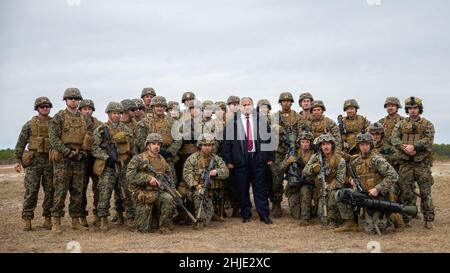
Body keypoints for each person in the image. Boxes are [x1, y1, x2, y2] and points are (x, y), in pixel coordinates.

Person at [222, 97, 275, 224]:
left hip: (258, 159)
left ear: (252, 105)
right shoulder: (232, 123)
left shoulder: (261, 121)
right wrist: (228, 160)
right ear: (240, 107)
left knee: (260, 188)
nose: (246, 106)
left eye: (249, 104)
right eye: (244, 104)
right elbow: (226, 144)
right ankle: (246, 214)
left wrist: (270, 157)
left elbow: (269, 140)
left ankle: (264, 215)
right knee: (242, 188)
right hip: (240, 161)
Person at [48, 88, 91, 233]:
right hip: (63, 160)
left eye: (76, 98)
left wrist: (85, 151)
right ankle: (56, 221)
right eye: (70, 98)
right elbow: (53, 139)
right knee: (60, 191)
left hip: (79, 159)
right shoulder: (58, 117)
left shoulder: (84, 118)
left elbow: (89, 135)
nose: (73, 100)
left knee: (77, 192)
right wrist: (67, 152)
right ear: (65, 100)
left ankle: (75, 220)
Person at [391, 96, 435, 229]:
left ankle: (428, 218)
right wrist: (405, 148)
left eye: (415, 108)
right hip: (405, 164)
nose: (412, 111)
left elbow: (429, 139)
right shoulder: (401, 124)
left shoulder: (427, 124)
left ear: (419, 109)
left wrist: (414, 147)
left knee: (425, 193)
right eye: (410, 108)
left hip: (422, 164)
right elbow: (394, 138)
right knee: (406, 193)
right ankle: (407, 217)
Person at [341, 133, 398, 234]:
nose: (365, 147)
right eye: (362, 145)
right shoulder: (355, 161)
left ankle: (390, 218)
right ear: (358, 146)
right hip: (364, 195)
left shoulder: (377, 160)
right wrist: (351, 181)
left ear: (371, 145)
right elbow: (349, 176)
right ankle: (351, 222)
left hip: (378, 196)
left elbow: (393, 175)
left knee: (373, 230)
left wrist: (378, 189)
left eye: (367, 144)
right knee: (342, 194)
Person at [92, 102, 135, 231]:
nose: (117, 116)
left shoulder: (126, 129)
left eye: (119, 113)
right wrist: (106, 158)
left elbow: (132, 147)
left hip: (123, 165)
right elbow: (94, 148)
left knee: (125, 193)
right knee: (105, 193)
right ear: (109, 113)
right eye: (114, 113)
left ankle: (131, 217)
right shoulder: (101, 129)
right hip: (108, 167)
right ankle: (103, 219)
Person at [14, 97, 54, 231]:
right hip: (33, 162)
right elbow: (21, 143)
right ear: (37, 108)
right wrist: (17, 161)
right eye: (42, 106)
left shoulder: (54, 124)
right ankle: (27, 220)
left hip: (50, 162)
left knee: (50, 192)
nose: (45, 108)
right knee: (31, 192)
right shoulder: (29, 125)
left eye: (47, 106)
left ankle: (48, 219)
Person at [127, 133, 175, 234]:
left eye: (158, 144)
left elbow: (169, 178)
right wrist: (148, 178)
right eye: (153, 143)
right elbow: (130, 175)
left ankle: (164, 226)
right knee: (142, 229)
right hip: (143, 193)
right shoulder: (138, 159)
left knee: (168, 198)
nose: (156, 146)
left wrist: (171, 190)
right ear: (148, 145)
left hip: (158, 192)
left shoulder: (163, 161)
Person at [303, 134, 353, 230]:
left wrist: (329, 187)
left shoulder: (340, 160)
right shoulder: (315, 157)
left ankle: (338, 219)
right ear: (320, 146)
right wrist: (313, 169)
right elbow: (305, 171)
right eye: (323, 145)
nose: (326, 147)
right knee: (323, 218)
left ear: (332, 145)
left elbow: (340, 181)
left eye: (328, 144)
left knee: (333, 199)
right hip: (320, 189)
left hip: (334, 189)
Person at [183, 133, 229, 227]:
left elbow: (226, 172)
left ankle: (207, 215)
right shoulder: (192, 158)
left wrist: (217, 172)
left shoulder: (216, 158)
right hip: (196, 190)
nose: (207, 148)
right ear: (200, 146)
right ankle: (198, 220)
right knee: (198, 195)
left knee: (207, 220)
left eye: (210, 145)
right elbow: (187, 174)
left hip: (210, 192)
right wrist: (196, 185)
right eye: (205, 145)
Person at [270, 92, 300, 218]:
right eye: (283, 101)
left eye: (288, 101)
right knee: (276, 179)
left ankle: (296, 204)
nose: (286, 103)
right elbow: (268, 129)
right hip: (279, 151)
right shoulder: (274, 117)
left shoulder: (298, 117)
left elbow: (303, 131)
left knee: (295, 176)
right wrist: (277, 128)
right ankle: (276, 204)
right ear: (280, 103)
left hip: (294, 150)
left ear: (291, 102)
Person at [280, 131, 315, 225]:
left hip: (307, 183)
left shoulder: (314, 154)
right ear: (299, 142)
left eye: (307, 142)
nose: (305, 144)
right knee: (296, 215)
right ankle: (312, 209)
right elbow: (281, 169)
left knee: (305, 191)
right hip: (294, 184)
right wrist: (288, 161)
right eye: (303, 142)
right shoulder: (292, 153)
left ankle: (305, 218)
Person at [78, 99, 102, 227]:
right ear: (80, 110)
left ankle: (98, 214)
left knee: (99, 187)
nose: (87, 111)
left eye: (89, 109)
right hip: (80, 159)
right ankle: (82, 216)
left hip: (95, 158)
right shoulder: (76, 123)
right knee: (80, 189)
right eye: (84, 109)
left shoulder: (98, 123)